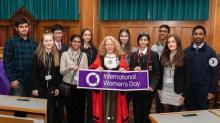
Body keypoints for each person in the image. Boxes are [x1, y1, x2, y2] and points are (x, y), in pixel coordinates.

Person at [89, 36, 129, 123]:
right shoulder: (100, 57)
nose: (109, 46)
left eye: (111, 44)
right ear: (104, 46)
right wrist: (96, 70)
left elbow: (127, 72)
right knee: (104, 114)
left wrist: (124, 71)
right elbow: (91, 71)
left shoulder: (120, 57)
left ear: (115, 46)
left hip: (116, 93)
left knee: (116, 115)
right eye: (107, 44)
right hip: (103, 92)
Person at [185, 25, 218, 110]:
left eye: (200, 34)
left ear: (204, 35)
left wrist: (212, 91)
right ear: (193, 35)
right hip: (189, 90)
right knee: (189, 114)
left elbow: (215, 73)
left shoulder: (211, 52)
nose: (198, 36)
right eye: (196, 34)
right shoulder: (186, 51)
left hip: (204, 90)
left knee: (203, 115)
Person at [129, 32, 160, 123]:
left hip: (148, 90)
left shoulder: (154, 55)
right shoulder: (133, 55)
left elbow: (157, 73)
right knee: (136, 113)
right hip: (136, 90)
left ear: (148, 42)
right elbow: (129, 69)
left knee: (146, 113)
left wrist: (152, 86)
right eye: (141, 39)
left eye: (145, 40)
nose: (143, 41)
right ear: (138, 41)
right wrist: (134, 69)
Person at [32, 32, 61, 123]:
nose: (48, 42)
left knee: (50, 109)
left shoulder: (57, 55)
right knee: (40, 109)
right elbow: (33, 73)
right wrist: (34, 88)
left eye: (50, 40)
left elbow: (57, 74)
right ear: (42, 42)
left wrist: (56, 87)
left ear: (53, 41)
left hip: (51, 87)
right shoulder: (37, 55)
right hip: (40, 87)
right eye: (46, 41)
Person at [3, 17, 37, 96]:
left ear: (29, 27)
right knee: (16, 106)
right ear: (16, 28)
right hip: (17, 81)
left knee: (30, 106)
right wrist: (12, 79)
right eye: (21, 27)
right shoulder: (11, 42)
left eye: (26, 26)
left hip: (30, 81)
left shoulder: (33, 43)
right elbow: (7, 62)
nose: (24, 29)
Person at [158, 34, 190, 112]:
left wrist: (184, 95)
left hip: (178, 92)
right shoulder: (163, 56)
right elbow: (159, 74)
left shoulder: (184, 57)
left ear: (177, 43)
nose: (170, 44)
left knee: (175, 115)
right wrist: (159, 90)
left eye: (173, 42)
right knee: (166, 114)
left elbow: (188, 78)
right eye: (169, 42)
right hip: (165, 90)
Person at [60, 34, 88, 123]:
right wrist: (70, 67)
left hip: (80, 87)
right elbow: (61, 71)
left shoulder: (84, 55)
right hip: (68, 86)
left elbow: (86, 72)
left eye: (79, 42)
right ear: (70, 42)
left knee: (80, 110)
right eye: (75, 41)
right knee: (70, 110)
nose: (77, 43)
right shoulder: (64, 54)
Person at [151, 25, 170, 113]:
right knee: (158, 103)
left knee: (167, 104)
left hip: (167, 79)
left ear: (168, 33)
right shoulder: (153, 47)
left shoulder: (171, 46)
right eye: (161, 31)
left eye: (165, 31)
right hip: (156, 78)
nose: (162, 33)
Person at [51, 24, 68, 123]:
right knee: (53, 103)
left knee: (62, 102)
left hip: (63, 79)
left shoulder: (65, 46)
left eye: (60, 33)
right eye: (56, 33)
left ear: (63, 34)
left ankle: (61, 119)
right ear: (53, 34)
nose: (58, 34)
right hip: (52, 79)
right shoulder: (49, 45)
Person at [80, 28, 97, 123]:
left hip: (92, 78)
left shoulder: (93, 48)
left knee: (91, 103)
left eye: (89, 35)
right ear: (82, 36)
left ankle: (90, 121)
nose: (87, 36)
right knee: (81, 102)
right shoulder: (79, 47)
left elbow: (96, 62)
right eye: (85, 34)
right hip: (81, 78)